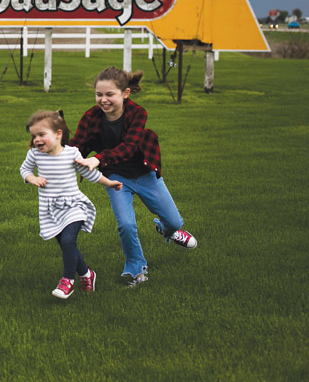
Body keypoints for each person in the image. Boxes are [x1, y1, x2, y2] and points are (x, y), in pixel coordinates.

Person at [70, 66, 197, 288]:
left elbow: (128, 148)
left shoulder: (138, 113)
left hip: (144, 173)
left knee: (174, 222)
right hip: (116, 178)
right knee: (126, 225)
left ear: (125, 93)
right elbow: (77, 145)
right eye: (99, 94)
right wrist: (55, 153)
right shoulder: (91, 116)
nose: (103, 100)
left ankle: (165, 229)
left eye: (110, 94)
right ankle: (137, 268)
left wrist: (97, 159)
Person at [19, 109, 123, 299]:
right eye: (34, 136)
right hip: (50, 209)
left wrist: (109, 183)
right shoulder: (35, 155)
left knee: (68, 241)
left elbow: (89, 173)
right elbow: (24, 169)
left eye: (41, 135)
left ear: (58, 134)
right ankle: (86, 273)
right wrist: (31, 178)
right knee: (67, 246)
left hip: (73, 206)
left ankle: (67, 281)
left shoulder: (72, 153)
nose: (36, 140)